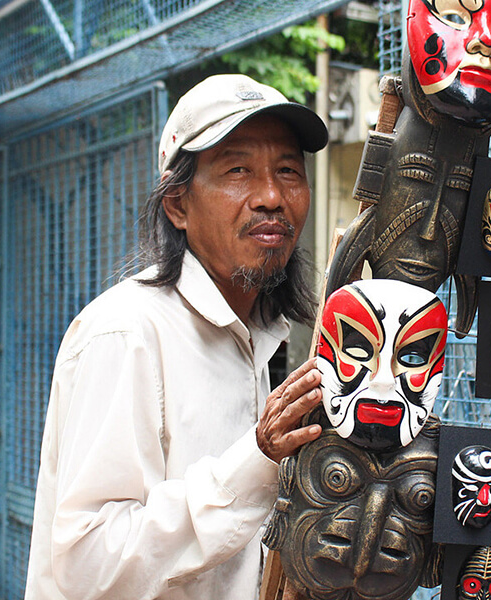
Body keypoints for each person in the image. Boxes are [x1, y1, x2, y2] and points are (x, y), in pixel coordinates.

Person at [24, 73, 330, 600]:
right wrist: (255, 463)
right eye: (238, 170)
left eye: (288, 171)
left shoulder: (259, 336)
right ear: (178, 206)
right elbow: (88, 562)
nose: (271, 196)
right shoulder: (125, 333)